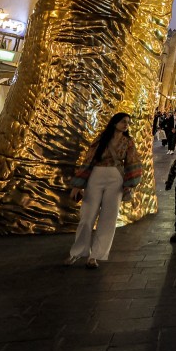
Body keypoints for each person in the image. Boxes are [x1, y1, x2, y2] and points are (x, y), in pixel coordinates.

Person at [67, 112, 143, 268]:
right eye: (123, 121)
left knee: (108, 219)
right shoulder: (101, 139)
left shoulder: (128, 142)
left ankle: (95, 256)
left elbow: (133, 162)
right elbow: (88, 160)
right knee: (87, 217)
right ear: (114, 123)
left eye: (128, 122)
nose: (126, 124)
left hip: (116, 180)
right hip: (96, 176)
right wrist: (78, 185)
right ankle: (77, 252)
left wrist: (130, 184)